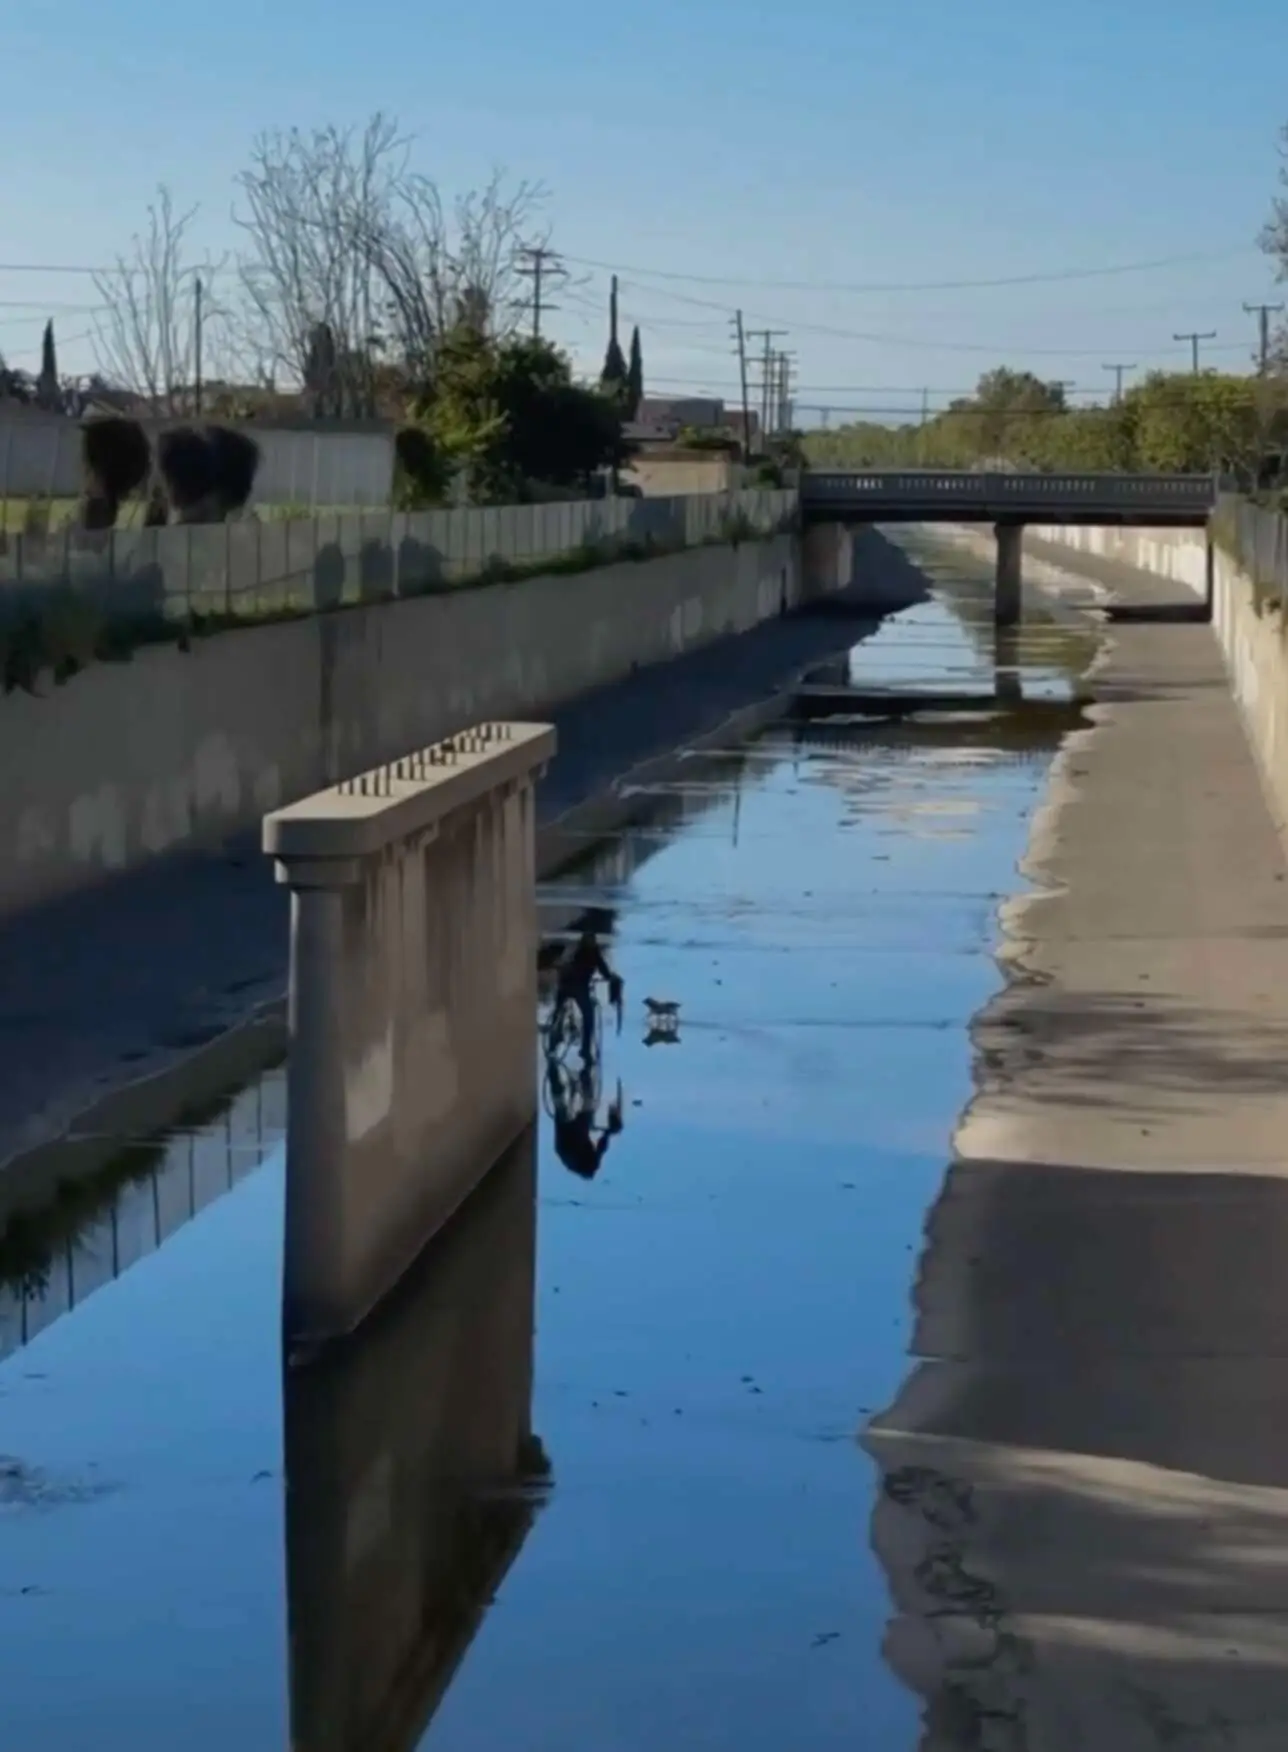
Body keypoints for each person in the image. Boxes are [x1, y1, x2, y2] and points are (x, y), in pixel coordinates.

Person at [553, 925, 623, 1060]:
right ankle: (585, 1050)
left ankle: (553, 1039)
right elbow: (605, 972)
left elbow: (564, 963)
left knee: (558, 1012)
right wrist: (613, 978)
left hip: (564, 984)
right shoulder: (594, 954)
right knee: (588, 1017)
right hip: (579, 988)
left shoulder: (575, 951)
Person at [547, 1063, 623, 1181]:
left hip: (573, 1142)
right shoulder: (575, 1166)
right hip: (563, 1145)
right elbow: (600, 1147)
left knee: (588, 1106)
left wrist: (608, 1132)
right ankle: (553, 1072)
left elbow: (601, 1147)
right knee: (560, 1108)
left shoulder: (592, 1165)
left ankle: (585, 1074)